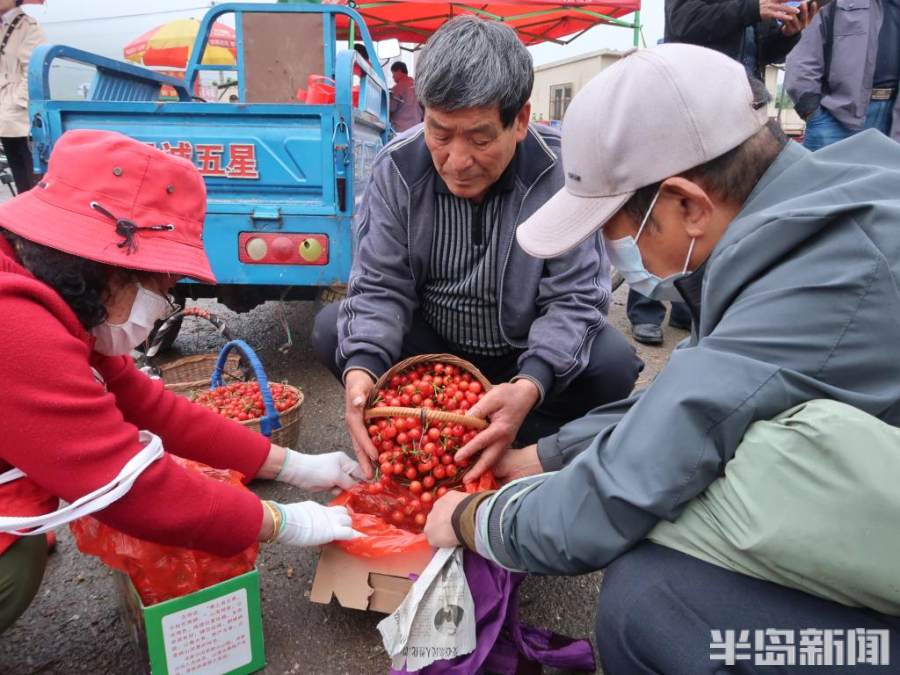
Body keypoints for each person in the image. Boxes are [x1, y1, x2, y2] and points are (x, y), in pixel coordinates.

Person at [425, 44, 900, 673]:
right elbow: (690, 384)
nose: (624, 256)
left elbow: (631, 484)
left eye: (621, 232)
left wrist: (474, 517)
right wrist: (542, 457)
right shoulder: (812, 216)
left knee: (650, 603)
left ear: (688, 205)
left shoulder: (824, 282)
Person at [0, 130, 362, 634]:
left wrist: (294, 465)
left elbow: (147, 405)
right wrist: (279, 520)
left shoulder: (54, 298)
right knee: (13, 568)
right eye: (158, 287)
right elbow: (129, 489)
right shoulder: (14, 323)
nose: (162, 306)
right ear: (106, 269)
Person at [312, 16, 641, 480]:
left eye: (481, 138)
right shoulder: (399, 169)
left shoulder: (561, 173)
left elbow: (575, 300)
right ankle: (445, 433)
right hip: (432, 345)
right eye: (440, 134)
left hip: (521, 349)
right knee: (336, 333)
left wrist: (531, 383)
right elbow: (380, 286)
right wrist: (363, 373)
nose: (457, 161)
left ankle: (515, 436)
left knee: (610, 363)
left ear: (520, 120)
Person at [786, 0, 900, 150]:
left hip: (894, 124)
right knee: (825, 174)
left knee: (889, 174)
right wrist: (812, 112)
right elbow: (802, 57)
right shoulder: (833, 3)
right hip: (837, 119)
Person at [665, 0, 816, 79]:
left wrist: (787, 35)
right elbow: (684, 21)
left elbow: (762, 55)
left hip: (746, 100)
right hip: (695, 95)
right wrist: (750, 10)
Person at [0, 0, 44, 194]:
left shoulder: (28, 27)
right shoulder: (2, 25)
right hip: (4, 108)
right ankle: (20, 219)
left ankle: (33, 219)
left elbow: (33, 69)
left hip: (20, 112)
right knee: (18, 171)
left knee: (30, 173)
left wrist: (18, 102)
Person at [389, 61, 422, 133]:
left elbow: (391, 108)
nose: (392, 77)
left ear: (399, 71)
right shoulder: (418, 86)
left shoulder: (398, 88)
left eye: (393, 73)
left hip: (401, 130)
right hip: (417, 130)